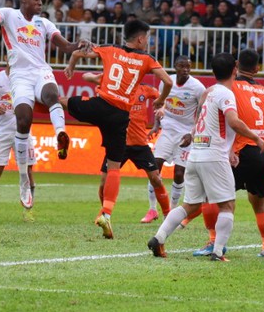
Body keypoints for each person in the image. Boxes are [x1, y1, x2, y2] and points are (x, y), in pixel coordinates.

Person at [0, 0, 84, 209]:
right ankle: (22, 179)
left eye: (42, 0)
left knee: (52, 95)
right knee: (23, 119)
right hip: (19, 75)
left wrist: (78, 46)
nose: (41, 3)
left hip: (40, 71)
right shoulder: (9, 15)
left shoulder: (44, 23)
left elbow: (65, 45)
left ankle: (61, 134)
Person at [147, 52, 264, 262]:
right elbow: (233, 121)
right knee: (227, 205)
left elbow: (202, 122)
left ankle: (159, 237)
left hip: (195, 155)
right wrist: (255, 137)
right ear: (234, 70)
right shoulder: (225, 94)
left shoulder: (208, 92)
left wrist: (192, 136)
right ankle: (218, 252)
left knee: (190, 205)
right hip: (214, 156)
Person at [61, 20, 172, 239]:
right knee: (112, 170)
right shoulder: (146, 59)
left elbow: (83, 56)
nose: (148, 42)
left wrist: (72, 64)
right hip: (119, 117)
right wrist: (161, 100)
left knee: (59, 100)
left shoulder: (110, 49)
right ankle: (106, 213)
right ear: (140, 39)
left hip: (108, 112)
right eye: (147, 38)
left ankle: (39, 106)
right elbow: (168, 82)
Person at [193, 49, 264, 258]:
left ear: (236, 66)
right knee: (258, 201)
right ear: (258, 69)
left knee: (213, 197)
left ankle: (214, 242)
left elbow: (212, 108)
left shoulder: (229, 87)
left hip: (242, 152)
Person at [80, 72, 173, 223]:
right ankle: (104, 213)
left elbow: (161, 98)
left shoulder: (145, 90)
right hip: (118, 142)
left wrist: (162, 107)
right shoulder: (114, 90)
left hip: (140, 144)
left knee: (156, 178)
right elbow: (86, 77)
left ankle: (168, 215)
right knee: (104, 182)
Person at [147, 56, 205, 222]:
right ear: (175, 66)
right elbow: (160, 104)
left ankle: (171, 211)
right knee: (154, 168)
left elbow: (202, 114)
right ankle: (152, 209)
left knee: (179, 173)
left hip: (186, 133)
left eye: (188, 66)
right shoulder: (167, 81)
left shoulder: (197, 87)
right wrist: (156, 125)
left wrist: (192, 134)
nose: (185, 69)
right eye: (182, 66)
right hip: (168, 129)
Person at [0, 67, 37, 223]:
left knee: (28, 171)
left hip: (24, 132)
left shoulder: (28, 77)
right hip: (2, 132)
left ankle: (28, 210)